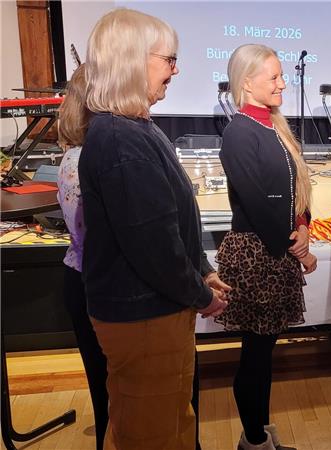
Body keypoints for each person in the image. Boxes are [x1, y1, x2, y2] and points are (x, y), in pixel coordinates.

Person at [79, 8, 228, 450]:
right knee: (150, 433)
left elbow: (172, 222)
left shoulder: (133, 129)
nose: (176, 69)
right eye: (169, 59)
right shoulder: (121, 138)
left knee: (164, 421)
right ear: (132, 60)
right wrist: (202, 294)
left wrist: (201, 269)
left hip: (152, 310)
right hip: (142, 314)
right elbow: (153, 245)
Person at [214, 43, 316, 450]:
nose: (282, 83)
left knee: (263, 353)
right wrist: (300, 250)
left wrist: (305, 224)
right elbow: (258, 204)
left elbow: (295, 189)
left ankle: (260, 435)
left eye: (280, 75)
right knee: (255, 357)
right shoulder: (240, 132)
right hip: (258, 256)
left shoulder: (271, 125)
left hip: (275, 251)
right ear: (247, 82)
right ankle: (253, 441)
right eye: (273, 77)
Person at [56, 64, 109, 450]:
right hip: (96, 282)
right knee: (111, 396)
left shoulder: (76, 155)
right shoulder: (84, 160)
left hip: (85, 277)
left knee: (109, 394)